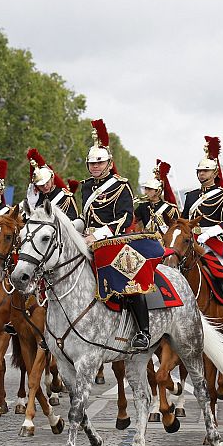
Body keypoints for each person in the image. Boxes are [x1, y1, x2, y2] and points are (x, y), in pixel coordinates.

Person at [81, 119, 153, 350]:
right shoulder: (85, 187)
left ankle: (143, 331)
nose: (95, 167)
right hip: (88, 240)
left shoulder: (121, 185)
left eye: (99, 163)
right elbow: (86, 216)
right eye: (91, 164)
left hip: (113, 240)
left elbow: (124, 218)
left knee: (129, 281)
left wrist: (98, 235)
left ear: (110, 164)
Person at [181, 136, 223, 342]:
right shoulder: (191, 196)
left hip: (213, 245)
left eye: (206, 171)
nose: (202, 174)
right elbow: (185, 219)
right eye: (199, 171)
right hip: (192, 243)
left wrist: (210, 232)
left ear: (214, 173)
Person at [26, 148, 79, 221]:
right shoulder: (35, 198)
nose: (45, 186)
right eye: (41, 185)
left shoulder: (65, 197)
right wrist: (31, 205)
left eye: (47, 182)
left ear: (52, 178)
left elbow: (72, 220)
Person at [134, 160, 179, 234]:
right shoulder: (143, 207)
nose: (146, 192)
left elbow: (176, 229)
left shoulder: (170, 208)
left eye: (149, 189)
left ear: (157, 191)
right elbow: (133, 222)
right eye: (146, 189)